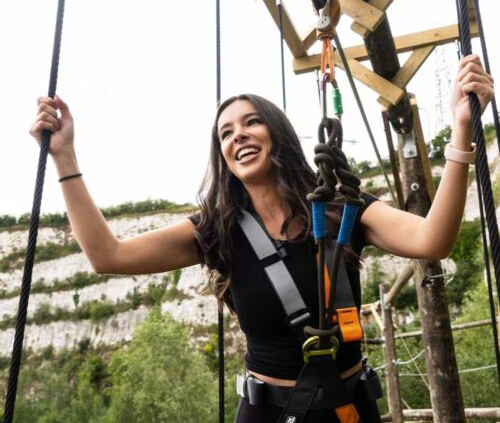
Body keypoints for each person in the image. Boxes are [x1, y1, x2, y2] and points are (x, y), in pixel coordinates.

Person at [30, 54, 494, 422]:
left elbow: (433, 240)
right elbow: (107, 256)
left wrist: (462, 132)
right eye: (225, 133)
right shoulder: (215, 231)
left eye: (251, 122)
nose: (239, 137)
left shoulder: (343, 209)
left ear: (276, 131)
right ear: (222, 155)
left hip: (349, 407)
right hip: (270, 412)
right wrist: (64, 157)